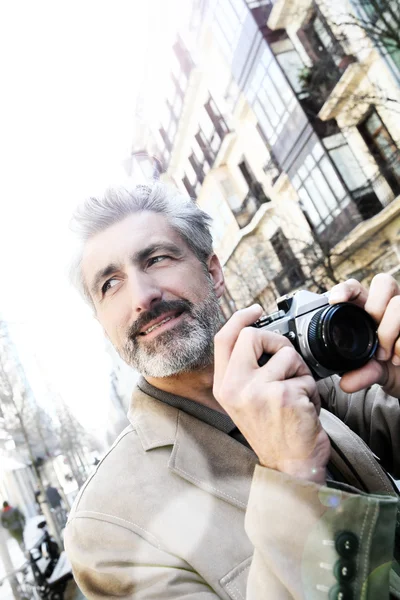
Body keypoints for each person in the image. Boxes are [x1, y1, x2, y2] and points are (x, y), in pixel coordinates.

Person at [64, 181, 400, 599]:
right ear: (102, 323)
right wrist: (291, 476)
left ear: (214, 272)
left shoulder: (313, 373)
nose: (143, 297)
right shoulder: (105, 527)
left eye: (157, 258)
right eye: (109, 284)